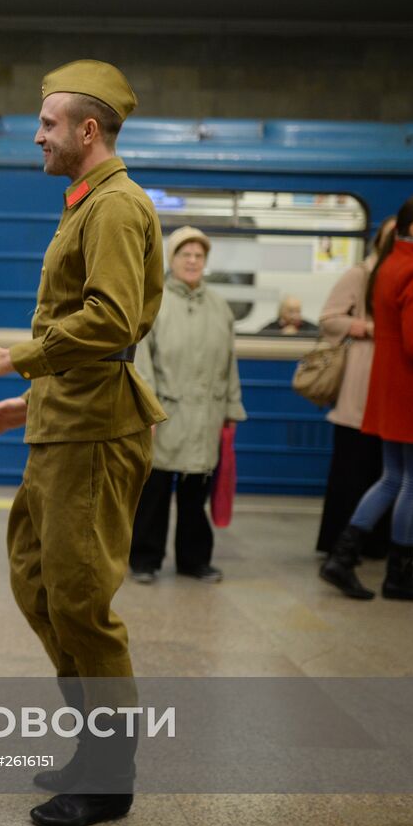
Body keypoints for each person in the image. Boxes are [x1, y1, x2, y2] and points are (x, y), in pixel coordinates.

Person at [0, 60, 165, 826]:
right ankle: (94, 743)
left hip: (95, 433)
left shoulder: (116, 207)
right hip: (64, 421)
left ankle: (110, 774)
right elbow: (87, 332)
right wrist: (29, 400)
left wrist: (17, 358)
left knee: (81, 601)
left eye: (48, 123)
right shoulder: (87, 204)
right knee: (38, 580)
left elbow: (112, 320)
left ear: (87, 130)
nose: (38, 135)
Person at [320, 195, 413, 602]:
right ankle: (399, 574)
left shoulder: (389, 266)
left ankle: (342, 556)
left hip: (391, 390)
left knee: (392, 479)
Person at [129, 226, 246, 584]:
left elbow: (229, 363)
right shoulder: (154, 302)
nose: (193, 261)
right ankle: (144, 559)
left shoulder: (219, 307)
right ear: (172, 259)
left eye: (199, 255)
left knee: (196, 493)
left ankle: (194, 561)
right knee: (155, 491)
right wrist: (146, 410)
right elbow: (142, 361)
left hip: (207, 416)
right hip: (165, 415)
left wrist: (232, 409)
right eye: (185, 254)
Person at [315, 216, 396, 558]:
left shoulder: (406, 278)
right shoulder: (360, 274)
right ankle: (339, 541)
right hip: (360, 385)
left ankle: (376, 542)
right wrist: (366, 327)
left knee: (386, 470)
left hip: (393, 388)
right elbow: (329, 319)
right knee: (352, 468)